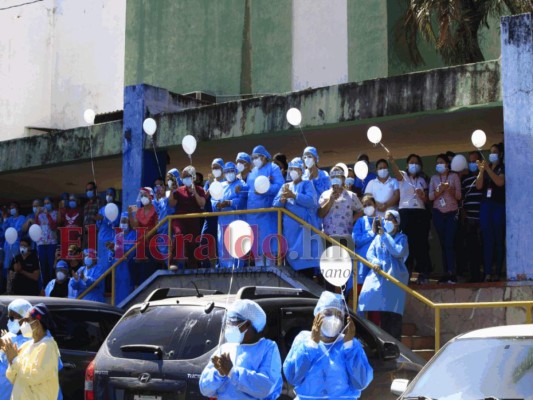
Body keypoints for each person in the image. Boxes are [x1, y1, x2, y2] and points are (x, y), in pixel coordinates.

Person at [283, 291, 373, 399]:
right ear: (317, 316)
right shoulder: (303, 340)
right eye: (328, 313)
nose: (334, 320)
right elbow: (293, 378)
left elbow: (361, 383)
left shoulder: (350, 344)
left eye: (339, 315)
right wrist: (312, 344)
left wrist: (348, 346)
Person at [199, 299, 282, 400]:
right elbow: (204, 389)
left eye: (233, 321)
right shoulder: (226, 348)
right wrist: (219, 374)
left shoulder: (268, 348)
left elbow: (265, 387)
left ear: (247, 324)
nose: (229, 326)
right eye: (228, 321)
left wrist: (232, 372)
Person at [359, 210, 409, 340]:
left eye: (389, 219)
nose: (386, 222)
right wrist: (375, 262)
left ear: (397, 222)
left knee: (394, 316)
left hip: (395, 280)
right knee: (384, 315)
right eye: (385, 219)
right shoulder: (378, 238)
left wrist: (385, 236)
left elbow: (397, 252)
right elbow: (370, 254)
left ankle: (398, 349)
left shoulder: (402, 238)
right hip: (381, 281)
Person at [273, 158, 322, 275]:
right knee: (291, 266)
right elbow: (275, 204)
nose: (293, 171)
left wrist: (294, 196)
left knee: (306, 267)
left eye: (295, 169)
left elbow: (312, 201)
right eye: (291, 169)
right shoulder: (285, 186)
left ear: (301, 171)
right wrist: (282, 200)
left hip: (304, 232)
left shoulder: (306, 184)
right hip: (290, 233)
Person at [3, 303, 60, 400]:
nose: (22, 323)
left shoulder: (47, 346)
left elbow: (34, 376)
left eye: (27, 320)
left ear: (37, 323)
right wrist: (11, 361)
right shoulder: (27, 345)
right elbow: (13, 378)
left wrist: (15, 360)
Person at [389, 153, 431, 283]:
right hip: (405, 213)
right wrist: (392, 162)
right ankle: (406, 273)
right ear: (407, 165)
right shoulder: (403, 176)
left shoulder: (422, 180)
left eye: (416, 163)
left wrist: (423, 195)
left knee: (421, 244)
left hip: (420, 213)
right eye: (411, 162)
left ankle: (423, 273)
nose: (414, 165)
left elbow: (427, 199)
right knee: (406, 243)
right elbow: (396, 172)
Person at [246, 145, 284, 267]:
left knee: (269, 249)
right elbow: (248, 190)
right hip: (252, 215)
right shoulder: (252, 172)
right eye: (253, 157)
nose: (255, 160)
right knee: (257, 250)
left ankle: (271, 271)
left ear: (264, 157)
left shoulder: (273, 168)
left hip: (267, 215)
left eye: (257, 157)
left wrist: (265, 189)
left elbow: (280, 187)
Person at [428, 153, 461, 283]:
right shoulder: (434, 178)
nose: (439, 165)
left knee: (449, 243)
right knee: (443, 243)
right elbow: (430, 197)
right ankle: (445, 272)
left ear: (447, 164)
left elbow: (458, 196)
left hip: (452, 213)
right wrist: (440, 190)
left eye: (441, 162)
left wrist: (450, 189)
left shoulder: (454, 177)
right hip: (438, 213)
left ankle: (452, 272)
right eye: (437, 163)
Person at [476, 143, 505, 281]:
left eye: (495, 152)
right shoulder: (485, 169)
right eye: (490, 151)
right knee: (487, 239)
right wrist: (482, 171)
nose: (492, 154)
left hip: (498, 206)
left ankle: (497, 271)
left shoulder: (502, 167)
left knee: (498, 238)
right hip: (486, 206)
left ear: (500, 154)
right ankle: (487, 271)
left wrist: (488, 169)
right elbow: (479, 185)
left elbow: (500, 182)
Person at [212, 162, 248, 268]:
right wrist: (218, 204)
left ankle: (238, 269)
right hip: (223, 222)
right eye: (226, 171)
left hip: (237, 221)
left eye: (231, 171)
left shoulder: (241, 184)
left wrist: (229, 203)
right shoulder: (220, 186)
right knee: (223, 246)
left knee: (237, 246)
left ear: (235, 171)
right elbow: (213, 201)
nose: (229, 173)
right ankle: (224, 268)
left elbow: (242, 200)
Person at [169, 165, 207, 268]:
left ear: (193, 177)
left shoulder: (199, 189)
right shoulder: (179, 189)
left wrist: (194, 191)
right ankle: (172, 262)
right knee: (179, 234)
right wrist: (172, 192)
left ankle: (192, 266)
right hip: (179, 220)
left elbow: (202, 203)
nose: (185, 178)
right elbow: (172, 204)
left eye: (187, 176)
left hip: (193, 221)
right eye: (183, 177)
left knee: (191, 244)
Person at [318, 166, 363, 250]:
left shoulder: (351, 195)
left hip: (345, 236)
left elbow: (361, 210)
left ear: (343, 178)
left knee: (346, 262)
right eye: (333, 176)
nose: (335, 178)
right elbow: (320, 214)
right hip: (328, 237)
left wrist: (352, 220)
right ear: (330, 179)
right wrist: (330, 201)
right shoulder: (325, 194)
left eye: (338, 176)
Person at [0, 299, 33, 400]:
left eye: (13, 318)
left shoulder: (38, 340)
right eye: (9, 317)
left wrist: (14, 358)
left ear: (25, 318)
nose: (10, 321)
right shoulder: (8, 337)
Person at [352, 195, 378, 322]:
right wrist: (371, 233)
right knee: (361, 299)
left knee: (375, 299)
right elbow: (356, 240)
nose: (368, 207)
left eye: (370, 204)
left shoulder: (382, 221)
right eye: (365, 205)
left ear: (375, 205)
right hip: (362, 266)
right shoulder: (360, 222)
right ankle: (360, 328)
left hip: (377, 266)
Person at [461, 151, 484, 282]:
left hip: (482, 218)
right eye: (470, 161)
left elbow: (480, 187)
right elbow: (463, 199)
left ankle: (483, 273)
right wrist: (464, 215)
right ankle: (473, 275)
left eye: (474, 161)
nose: (472, 164)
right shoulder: (465, 179)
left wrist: (481, 171)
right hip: (469, 220)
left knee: (482, 247)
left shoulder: (484, 176)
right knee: (471, 248)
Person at [201, 158, 225, 268]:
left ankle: (220, 265)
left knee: (220, 242)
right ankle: (205, 265)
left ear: (222, 168)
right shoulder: (209, 182)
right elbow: (204, 198)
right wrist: (210, 186)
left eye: (217, 167)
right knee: (204, 240)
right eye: (213, 168)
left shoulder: (226, 181)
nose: (215, 170)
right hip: (210, 216)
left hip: (222, 217)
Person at [110, 212, 137, 304]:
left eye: (125, 221)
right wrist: (112, 250)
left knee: (127, 291)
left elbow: (131, 252)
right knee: (116, 291)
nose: (123, 223)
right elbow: (111, 254)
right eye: (122, 221)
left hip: (128, 268)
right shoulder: (117, 235)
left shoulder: (133, 234)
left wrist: (117, 249)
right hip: (117, 269)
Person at [35, 197, 59, 285]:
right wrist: (37, 215)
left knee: (51, 264)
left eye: (48, 203)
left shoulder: (55, 213)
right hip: (41, 243)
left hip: (51, 243)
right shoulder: (40, 215)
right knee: (42, 265)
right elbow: (36, 227)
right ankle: (44, 286)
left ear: (52, 204)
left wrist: (48, 215)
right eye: (44, 203)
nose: (46, 205)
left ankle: (52, 284)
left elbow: (53, 226)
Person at [96, 188, 120, 271]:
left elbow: (115, 223)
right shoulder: (101, 209)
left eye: (110, 194)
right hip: (100, 239)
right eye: (107, 194)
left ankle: (110, 282)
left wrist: (104, 219)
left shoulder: (115, 208)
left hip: (110, 238)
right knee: (101, 263)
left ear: (114, 196)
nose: (108, 196)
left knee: (109, 261)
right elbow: (98, 225)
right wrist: (98, 219)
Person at [2, 202, 25, 278]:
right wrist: (5, 218)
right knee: (6, 265)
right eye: (10, 208)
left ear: (17, 208)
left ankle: (15, 284)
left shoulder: (22, 218)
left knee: (15, 264)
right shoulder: (9, 219)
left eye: (13, 208)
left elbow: (19, 231)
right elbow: (4, 229)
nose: (12, 209)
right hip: (7, 245)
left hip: (16, 244)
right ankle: (6, 286)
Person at [83, 181, 100, 248]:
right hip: (86, 234)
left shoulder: (99, 202)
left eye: (90, 189)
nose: (88, 191)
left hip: (95, 233)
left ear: (95, 190)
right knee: (86, 254)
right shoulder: (86, 205)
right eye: (87, 190)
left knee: (94, 254)